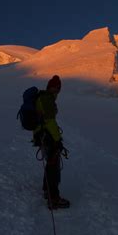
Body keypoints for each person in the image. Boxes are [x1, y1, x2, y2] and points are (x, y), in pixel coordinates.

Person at [33, 75, 70, 209]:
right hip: (46, 135)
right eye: (56, 88)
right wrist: (57, 139)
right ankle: (53, 197)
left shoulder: (44, 98)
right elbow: (50, 121)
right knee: (53, 166)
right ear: (51, 88)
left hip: (42, 134)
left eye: (58, 89)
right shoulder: (47, 99)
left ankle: (47, 190)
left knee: (50, 163)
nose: (57, 91)